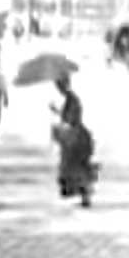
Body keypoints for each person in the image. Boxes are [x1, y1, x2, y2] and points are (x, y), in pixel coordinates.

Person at [50, 73, 95, 204]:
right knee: (74, 166)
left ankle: (84, 190)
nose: (58, 89)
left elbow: (71, 117)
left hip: (76, 137)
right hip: (76, 135)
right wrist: (57, 112)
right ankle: (81, 190)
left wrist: (62, 120)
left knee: (74, 165)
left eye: (60, 85)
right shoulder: (70, 98)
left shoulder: (72, 99)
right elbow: (67, 116)